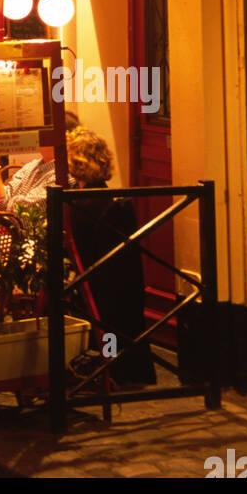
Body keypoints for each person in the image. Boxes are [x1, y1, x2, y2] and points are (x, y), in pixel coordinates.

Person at [66, 128, 157, 387]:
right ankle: (128, 369)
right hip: (126, 288)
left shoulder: (77, 206)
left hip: (95, 289)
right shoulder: (117, 201)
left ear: (76, 163)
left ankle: (101, 366)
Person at [0, 111, 80, 210]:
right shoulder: (32, 166)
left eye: (43, 129)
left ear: (60, 136)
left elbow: (18, 213)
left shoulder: (65, 174)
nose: (37, 133)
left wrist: (10, 200)